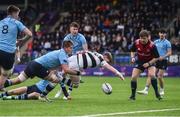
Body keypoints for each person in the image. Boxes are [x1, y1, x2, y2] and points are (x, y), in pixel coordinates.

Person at [2, 40, 81, 89]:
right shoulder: (62, 54)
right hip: (37, 66)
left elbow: (54, 66)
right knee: (56, 79)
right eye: (71, 47)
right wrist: (78, 73)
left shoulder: (60, 53)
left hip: (33, 64)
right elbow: (66, 70)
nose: (72, 49)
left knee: (18, 80)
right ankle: (43, 96)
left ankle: (1, 84)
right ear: (66, 48)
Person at [52, 51, 125, 99]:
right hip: (75, 64)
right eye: (109, 60)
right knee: (75, 84)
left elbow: (85, 52)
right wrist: (118, 73)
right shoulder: (102, 60)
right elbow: (109, 67)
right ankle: (60, 84)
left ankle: (60, 91)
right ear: (106, 57)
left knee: (63, 76)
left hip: (72, 58)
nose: (108, 62)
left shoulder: (95, 53)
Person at [0, 5, 32, 90]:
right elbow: (29, 34)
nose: (18, 16)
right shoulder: (16, 22)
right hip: (8, 51)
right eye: (17, 14)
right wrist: (22, 40)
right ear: (13, 13)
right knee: (6, 73)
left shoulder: (1, 22)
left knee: (3, 71)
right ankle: (0, 86)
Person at [55, 21, 88, 98]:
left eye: (76, 29)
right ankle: (61, 90)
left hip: (77, 59)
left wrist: (79, 53)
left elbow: (86, 50)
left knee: (72, 77)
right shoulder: (66, 38)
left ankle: (68, 92)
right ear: (70, 29)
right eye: (74, 29)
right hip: (68, 58)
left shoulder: (81, 37)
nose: (75, 31)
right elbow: (63, 51)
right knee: (63, 75)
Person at [137, 28, 172, 96]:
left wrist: (163, 57)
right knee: (151, 74)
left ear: (165, 34)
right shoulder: (155, 42)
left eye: (163, 33)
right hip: (155, 60)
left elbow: (170, 52)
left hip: (163, 60)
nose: (162, 34)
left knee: (159, 76)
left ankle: (162, 90)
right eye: (160, 33)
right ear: (159, 34)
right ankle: (146, 90)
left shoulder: (167, 42)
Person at [129, 30, 162, 100]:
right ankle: (133, 96)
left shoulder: (152, 45)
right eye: (141, 38)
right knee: (133, 77)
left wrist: (149, 63)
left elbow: (157, 57)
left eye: (144, 38)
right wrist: (132, 57)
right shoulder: (136, 42)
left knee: (152, 75)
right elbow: (132, 51)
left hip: (150, 61)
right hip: (140, 61)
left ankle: (157, 93)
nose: (142, 40)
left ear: (148, 38)